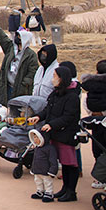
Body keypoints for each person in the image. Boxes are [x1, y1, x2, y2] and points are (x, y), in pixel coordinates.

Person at [27, 66, 81, 202]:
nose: (52, 80)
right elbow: (47, 110)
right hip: (55, 134)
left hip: (66, 135)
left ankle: (71, 191)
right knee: (63, 163)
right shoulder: (55, 94)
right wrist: (38, 117)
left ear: (62, 79)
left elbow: (68, 117)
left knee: (69, 164)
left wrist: (52, 124)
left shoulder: (72, 97)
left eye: (54, 76)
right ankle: (64, 189)